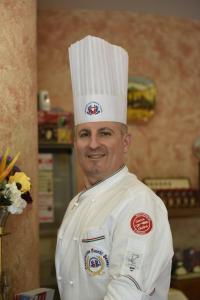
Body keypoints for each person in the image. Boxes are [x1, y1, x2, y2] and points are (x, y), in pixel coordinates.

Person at [55, 35, 174, 300]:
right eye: (84, 134)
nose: (93, 144)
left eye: (105, 133)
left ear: (125, 142)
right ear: (75, 142)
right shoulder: (77, 203)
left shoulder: (139, 204)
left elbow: (125, 293)